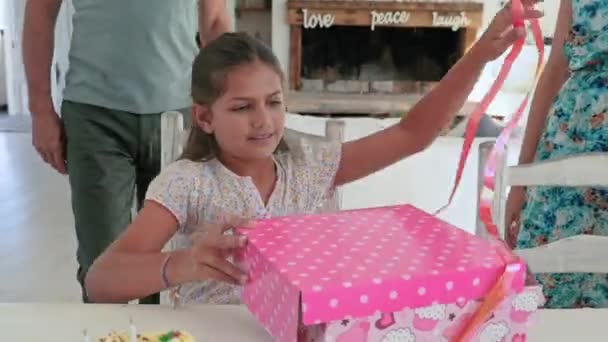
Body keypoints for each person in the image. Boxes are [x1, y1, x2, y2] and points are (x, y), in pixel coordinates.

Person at [83, 5, 542, 304]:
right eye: (242, 107)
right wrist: (180, 264)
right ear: (204, 118)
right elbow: (101, 281)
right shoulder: (187, 182)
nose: (263, 120)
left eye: (274, 102)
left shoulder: (311, 166)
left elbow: (412, 134)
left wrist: (481, 53)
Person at [22, 0, 231, 304]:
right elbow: (40, 12)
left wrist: (228, 104)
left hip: (182, 114)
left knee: (174, 259)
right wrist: (40, 109)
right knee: (101, 261)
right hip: (95, 115)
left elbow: (214, 23)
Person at [505, 0, 608, 308]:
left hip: (574, 138)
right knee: (545, 286)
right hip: (569, 142)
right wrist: (521, 181)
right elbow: (555, 70)